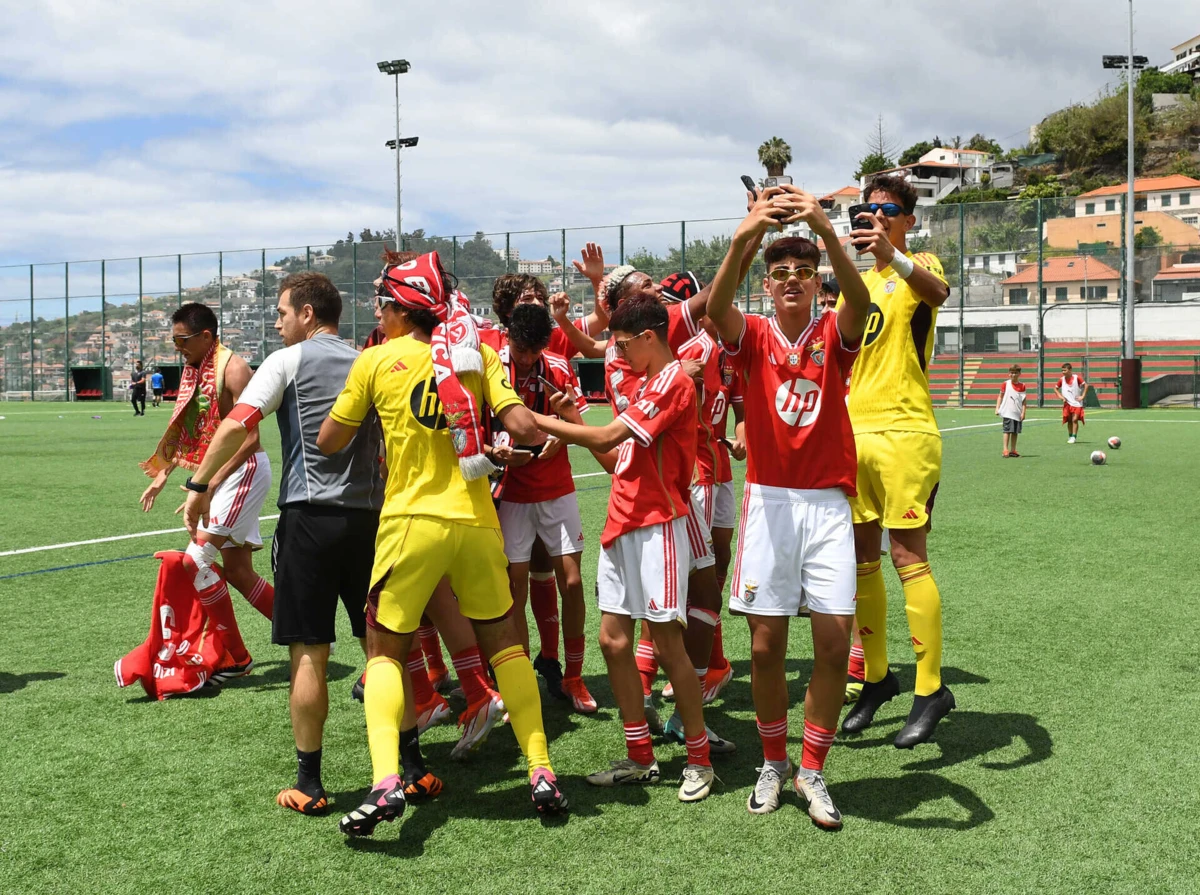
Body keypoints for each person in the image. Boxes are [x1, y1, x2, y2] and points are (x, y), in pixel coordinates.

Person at [317, 251, 567, 836]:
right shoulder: (475, 353)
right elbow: (523, 425)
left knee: (384, 653)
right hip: (478, 521)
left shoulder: (375, 359)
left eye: (382, 304)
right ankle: (541, 770)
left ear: (400, 311)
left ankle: (385, 783)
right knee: (505, 646)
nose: (377, 313)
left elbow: (330, 440)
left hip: (411, 523)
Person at [181, 272, 427, 816]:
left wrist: (200, 485)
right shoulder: (374, 359)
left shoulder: (287, 361)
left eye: (283, 312)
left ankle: (310, 785)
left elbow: (238, 424)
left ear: (308, 314)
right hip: (372, 522)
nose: (277, 321)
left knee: (309, 654)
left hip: (310, 522)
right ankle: (413, 769)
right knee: (384, 653)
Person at [708, 185, 869, 827]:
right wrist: (746, 233)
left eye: (804, 273)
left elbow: (860, 298)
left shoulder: (837, 328)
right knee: (767, 644)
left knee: (832, 646)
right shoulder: (748, 334)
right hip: (770, 503)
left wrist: (827, 231)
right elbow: (714, 303)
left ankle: (812, 770)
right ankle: (772, 762)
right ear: (768, 285)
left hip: (828, 503)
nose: (794, 282)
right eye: (782, 274)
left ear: (816, 281)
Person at [533, 296, 717, 802]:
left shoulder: (672, 380)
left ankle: (698, 758)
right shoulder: (645, 382)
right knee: (613, 642)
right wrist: (572, 420)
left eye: (622, 344)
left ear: (648, 338)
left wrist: (538, 421)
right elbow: (616, 457)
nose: (617, 353)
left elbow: (613, 430)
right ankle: (640, 757)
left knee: (666, 644)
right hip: (622, 522)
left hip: (658, 526)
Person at [840, 173, 955, 749]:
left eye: (888, 209)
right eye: (869, 208)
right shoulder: (855, 287)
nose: (877, 216)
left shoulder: (921, 263)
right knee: (861, 562)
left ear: (909, 218)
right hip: (854, 434)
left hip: (906, 432)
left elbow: (939, 294)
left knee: (907, 555)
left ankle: (930, 688)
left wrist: (894, 256)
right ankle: (878, 678)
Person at [139, 303, 274, 681]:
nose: (177, 347)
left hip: (243, 470)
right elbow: (192, 431)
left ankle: (238, 657)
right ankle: (305, 635)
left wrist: (208, 484)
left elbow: (251, 440)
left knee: (194, 560)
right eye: (174, 340)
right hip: (219, 474)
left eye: (182, 340)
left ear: (206, 337)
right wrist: (165, 473)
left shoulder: (234, 369)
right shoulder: (194, 370)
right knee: (239, 572)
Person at [493, 303, 596, 713]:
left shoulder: (557, 365)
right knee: (513, 588)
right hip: (511, 491)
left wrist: (565, 436)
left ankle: (574, 676)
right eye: (522, 350)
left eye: (535, 351)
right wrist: (499, 449)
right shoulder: (492, 365)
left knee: (572, 581)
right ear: (508, 336)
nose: (528, 359)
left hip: (556, 487)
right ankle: (519, 683)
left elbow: (584, 427)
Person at [996, 364, 1027, 457]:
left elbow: (1024, 401)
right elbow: (1000, 396)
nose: (1013, 375)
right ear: (1009, 374)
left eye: (1016, 373)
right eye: (1012, 373)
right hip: (1007, 411)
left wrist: (1023, 412)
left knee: (1015, 432)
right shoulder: (1006, 384)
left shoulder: (1022, 386)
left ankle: (1013, 450)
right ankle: (1005, 449)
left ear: (1019, 374)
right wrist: (997, 408)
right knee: (1007, 430)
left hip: (1017, 412)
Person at [1055, 362, 1087, 444]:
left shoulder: (1077, 378)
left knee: (1075, 419)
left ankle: (1074, 437)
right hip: (1067, 404)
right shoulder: (1062, 379)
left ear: (1070, 370)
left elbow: (1086, 385)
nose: (1063, 372)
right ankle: (1070, 436)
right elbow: (1055, 388)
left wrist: (1082, 396)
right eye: (1062, 370)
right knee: (1069, 420)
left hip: (1076, 403)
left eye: (1064, 370)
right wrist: (1061, 397)